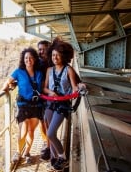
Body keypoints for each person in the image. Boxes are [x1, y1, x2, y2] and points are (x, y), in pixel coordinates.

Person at [43, 37, 85, 170]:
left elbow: (74, 88)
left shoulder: (69, 70)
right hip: (50, 103)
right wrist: (50, 92)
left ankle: (63, 157)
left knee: (50, 133)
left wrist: (79, 88)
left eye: (58, 55)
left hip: (62, 105)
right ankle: (54, 158)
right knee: (50, 133)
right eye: (53, 55)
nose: (55, 57)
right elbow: (44, 88)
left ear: (63, 56)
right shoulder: (49, 70)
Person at [2, 47, 44, 164]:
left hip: (36, 105)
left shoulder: (39, 73)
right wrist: (8, 87)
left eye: (30, 58)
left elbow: (43, 87)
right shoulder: (18, 72)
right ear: (23, 59)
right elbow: (7, 83)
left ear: (35, 59)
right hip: (23, 105)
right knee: (23, 129)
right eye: (26, 58)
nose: (28, 60)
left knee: (31, 131)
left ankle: (27, 153)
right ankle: (18, 152)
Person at [37, 40, 51, 160]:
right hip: (41, 97)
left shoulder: (53, 61)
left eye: (43, 49)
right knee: (42, 121)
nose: (41, 52)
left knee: (49, 121)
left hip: (53, 96)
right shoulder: (38, 63)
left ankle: (50, 145)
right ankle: (47, 144)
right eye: (39, 49)